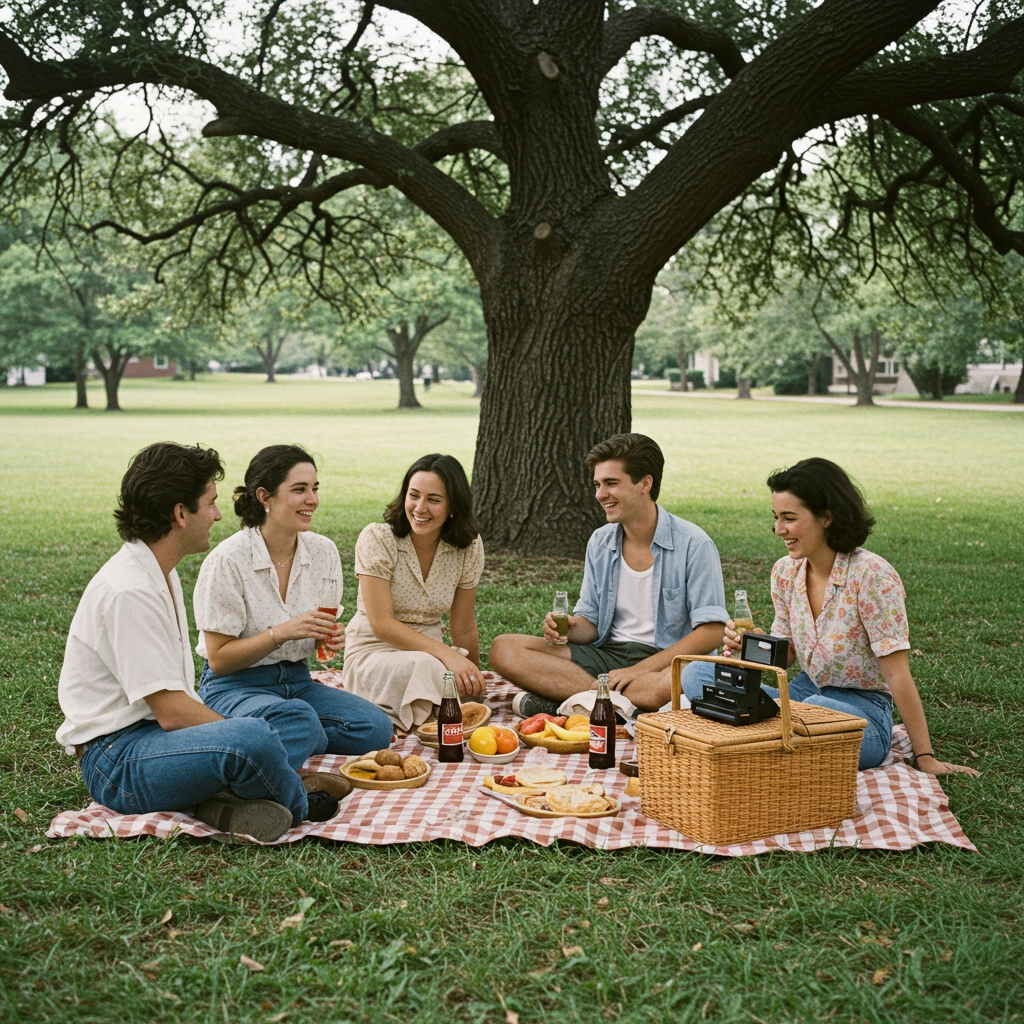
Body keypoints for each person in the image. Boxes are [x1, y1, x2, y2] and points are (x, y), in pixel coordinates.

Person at [56, 442, 348, 845]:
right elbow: (173, 713)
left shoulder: (158, 571)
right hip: (118, 762)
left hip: (153, 739)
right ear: (180, 513)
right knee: (254, 738)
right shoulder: (130, 590)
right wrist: (245, 738)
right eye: (209, 503)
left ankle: (224, 800)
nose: (217, 514)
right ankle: (299, 799)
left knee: (290, 721)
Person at [682, 457, 981, 775]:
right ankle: (776, 729)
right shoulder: (785, 572)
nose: (778, 529)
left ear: (827, 517)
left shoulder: (872, 576)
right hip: (799, 695)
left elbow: (897, 675)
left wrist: (925, 757)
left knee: (818, 711)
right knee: (696, 674)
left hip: (861, 709)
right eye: (776, 517)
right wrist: (748, 648)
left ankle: (759, 728)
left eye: (789, 518)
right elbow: (787, 656)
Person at [489, 433, 727, 714]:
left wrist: (639, 670)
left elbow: (712, 631)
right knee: (504, 649)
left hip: (665, 662)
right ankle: (612, 706)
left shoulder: (694, 544)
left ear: (645, 483)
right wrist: (568, 627)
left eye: (611, 483)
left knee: (677, 681)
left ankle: (576, 701)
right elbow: (590, 624)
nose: (600, 494)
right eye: (598, 484)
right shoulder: (600, 541)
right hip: (607, 656)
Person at [192, 445, 394, 758]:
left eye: (314, 488)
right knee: (301, 723)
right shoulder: (228, 560)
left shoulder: (323, 552)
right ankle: (274, 739)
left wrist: (328, 635)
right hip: (234, 686)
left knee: (375, 727)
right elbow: (219, 660)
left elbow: (318, 643)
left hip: (297, 681)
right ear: (264, 497)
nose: (312, 499)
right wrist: (281, 632)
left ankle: (269, 740)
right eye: (299, 489)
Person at [341, 453, 485, 730]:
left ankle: (436, 713)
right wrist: (449, 656)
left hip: (432, 656)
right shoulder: (378, 538)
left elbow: (464, 627)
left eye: (433, 500)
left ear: (453, 506)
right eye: (414, 495)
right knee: (429, 668)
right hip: (374, 652)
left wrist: (474, 681)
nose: (420, 508)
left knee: (453, 678)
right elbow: (382, 625)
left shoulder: (469, 547)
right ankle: (417, 718)